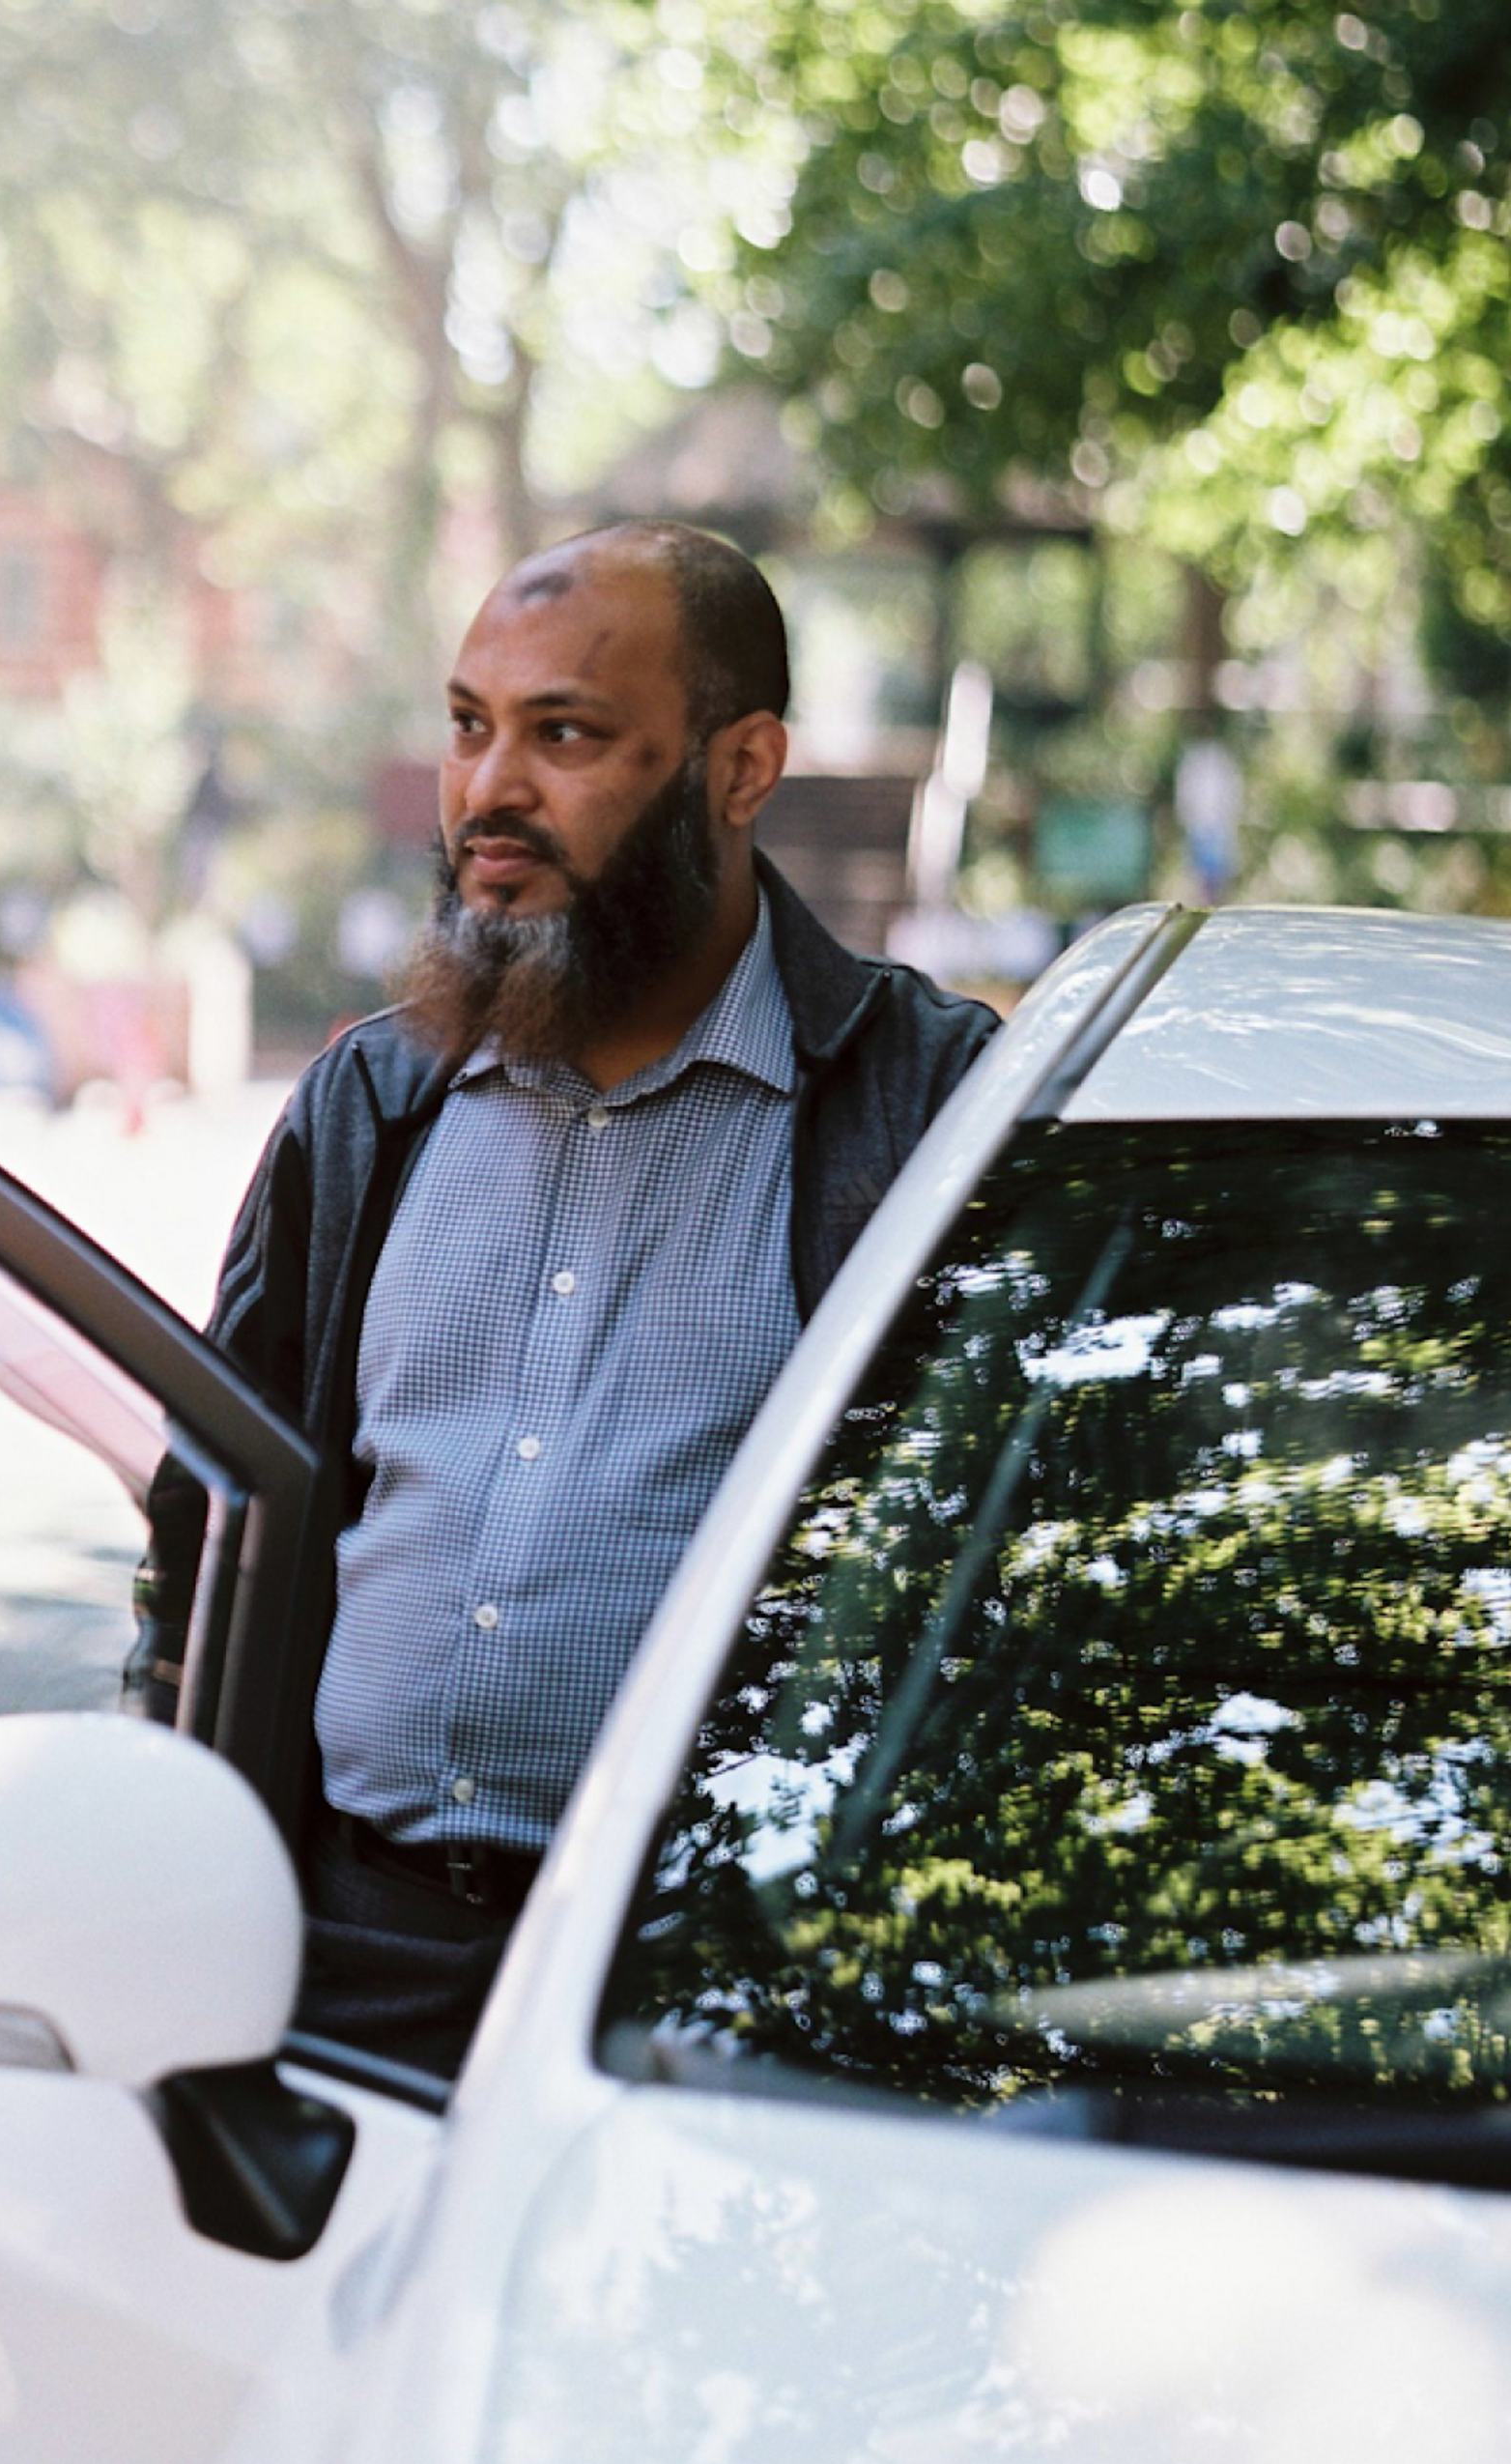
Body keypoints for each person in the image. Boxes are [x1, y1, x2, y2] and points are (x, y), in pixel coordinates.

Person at [154, 521, 996, 2078]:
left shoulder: (920, 1113)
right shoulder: (370, 1104)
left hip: (716, 2014)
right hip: (344, 1964)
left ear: (741, 768)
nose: (488, 793)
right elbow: (208, 1526)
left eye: (568, 735)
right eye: (471, 725)